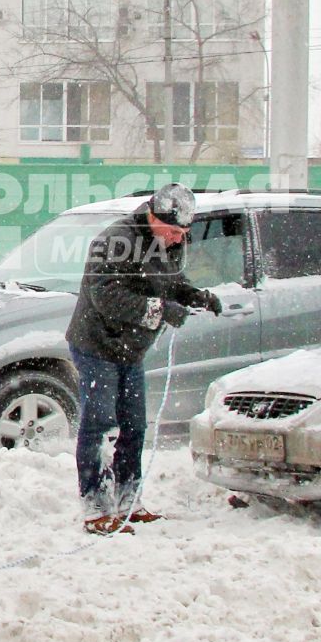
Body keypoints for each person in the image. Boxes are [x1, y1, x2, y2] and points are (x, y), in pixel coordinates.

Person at [65, 183, 221, 535]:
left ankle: (129, 500)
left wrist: (195, 296)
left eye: (184, 233)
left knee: (135, 426)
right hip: (97, 344)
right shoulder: (116, 240)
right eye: (174, 231)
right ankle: (95, 506)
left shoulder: (164, 242)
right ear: (153, 215)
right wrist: (161, 310)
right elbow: (105, 295)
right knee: (102, 425)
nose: (179, 239)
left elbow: (168, 281)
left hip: (129, 349)